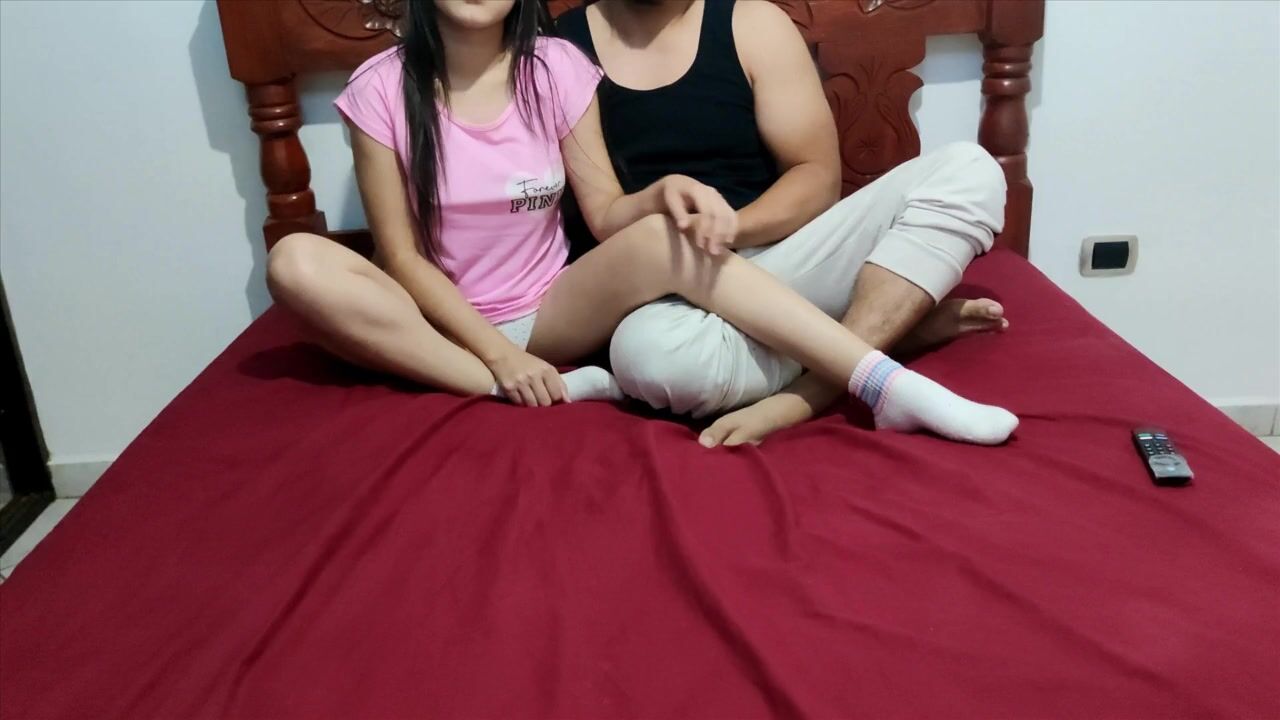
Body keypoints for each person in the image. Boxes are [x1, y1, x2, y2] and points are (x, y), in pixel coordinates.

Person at [266, 0, 1018, 446]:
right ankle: (879, 328)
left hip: (599, 298)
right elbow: (401, 258)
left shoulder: (557, 65)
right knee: (295, 261)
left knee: (968, 168)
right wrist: (497, 357)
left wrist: (667, 195)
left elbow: (610, 212)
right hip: (487, 325)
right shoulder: (386, 89)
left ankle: (875, 378)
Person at [557, 0, 1013, 446]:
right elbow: (605, 216)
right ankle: (883, 330)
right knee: (650, 358)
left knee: (969, 170)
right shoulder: (562, 48)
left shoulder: (754, 24)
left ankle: (813, 390)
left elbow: (815, 176)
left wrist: (731, 227)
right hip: (667, 303)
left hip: (777, 263)